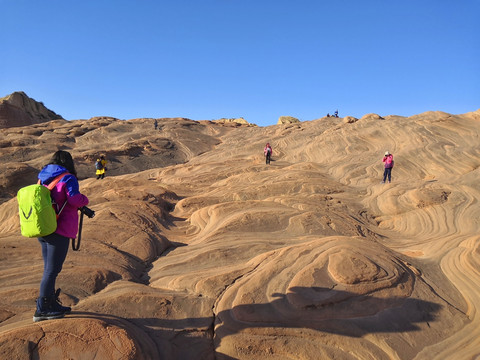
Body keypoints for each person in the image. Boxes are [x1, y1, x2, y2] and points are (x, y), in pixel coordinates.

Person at [34, 150, 89, 322]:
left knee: (49, 269)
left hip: (44, 227)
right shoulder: (68, 178)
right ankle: (42, 309)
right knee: (52, 270)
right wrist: (85, 200)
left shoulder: (43, 177)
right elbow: (74, 200)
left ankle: (51, 304)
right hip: (60, 229)